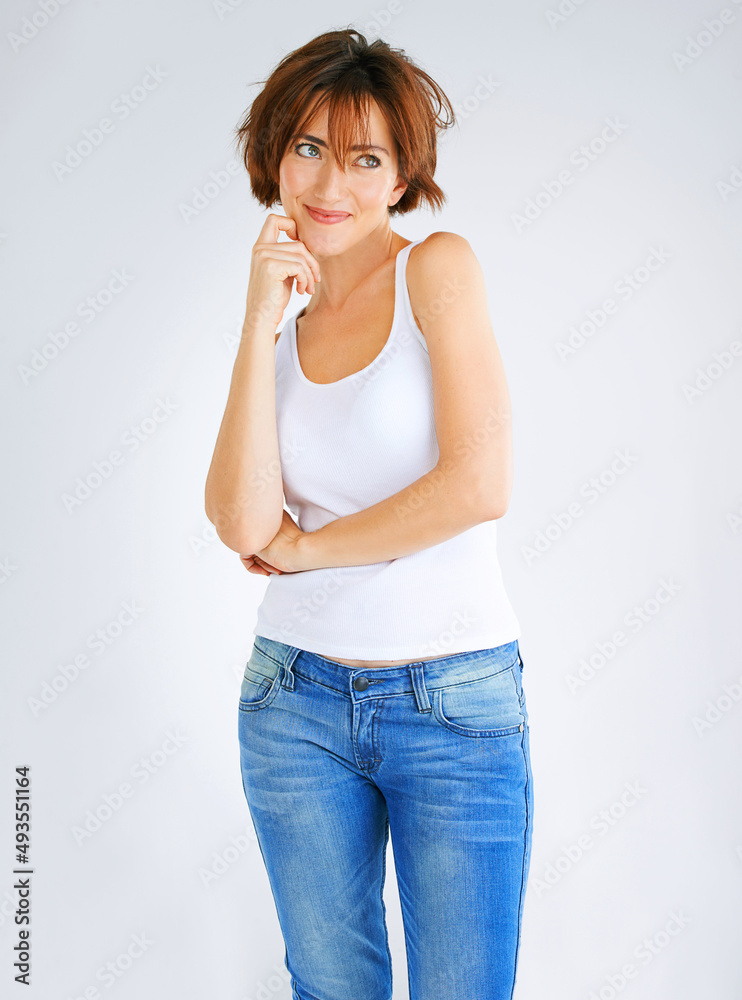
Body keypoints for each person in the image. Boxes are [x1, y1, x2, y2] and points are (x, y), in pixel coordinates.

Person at [205, 27, 534, 1000]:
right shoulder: (282, 318)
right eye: (307, 147)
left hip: (456, 701)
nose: (328, 182)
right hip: (292, 702)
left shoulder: (437, 268)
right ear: (274, 155)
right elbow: (237, 519)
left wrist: (306, 549)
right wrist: (257, 317)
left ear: (401, 175)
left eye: (363, 157)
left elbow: (478, 483)